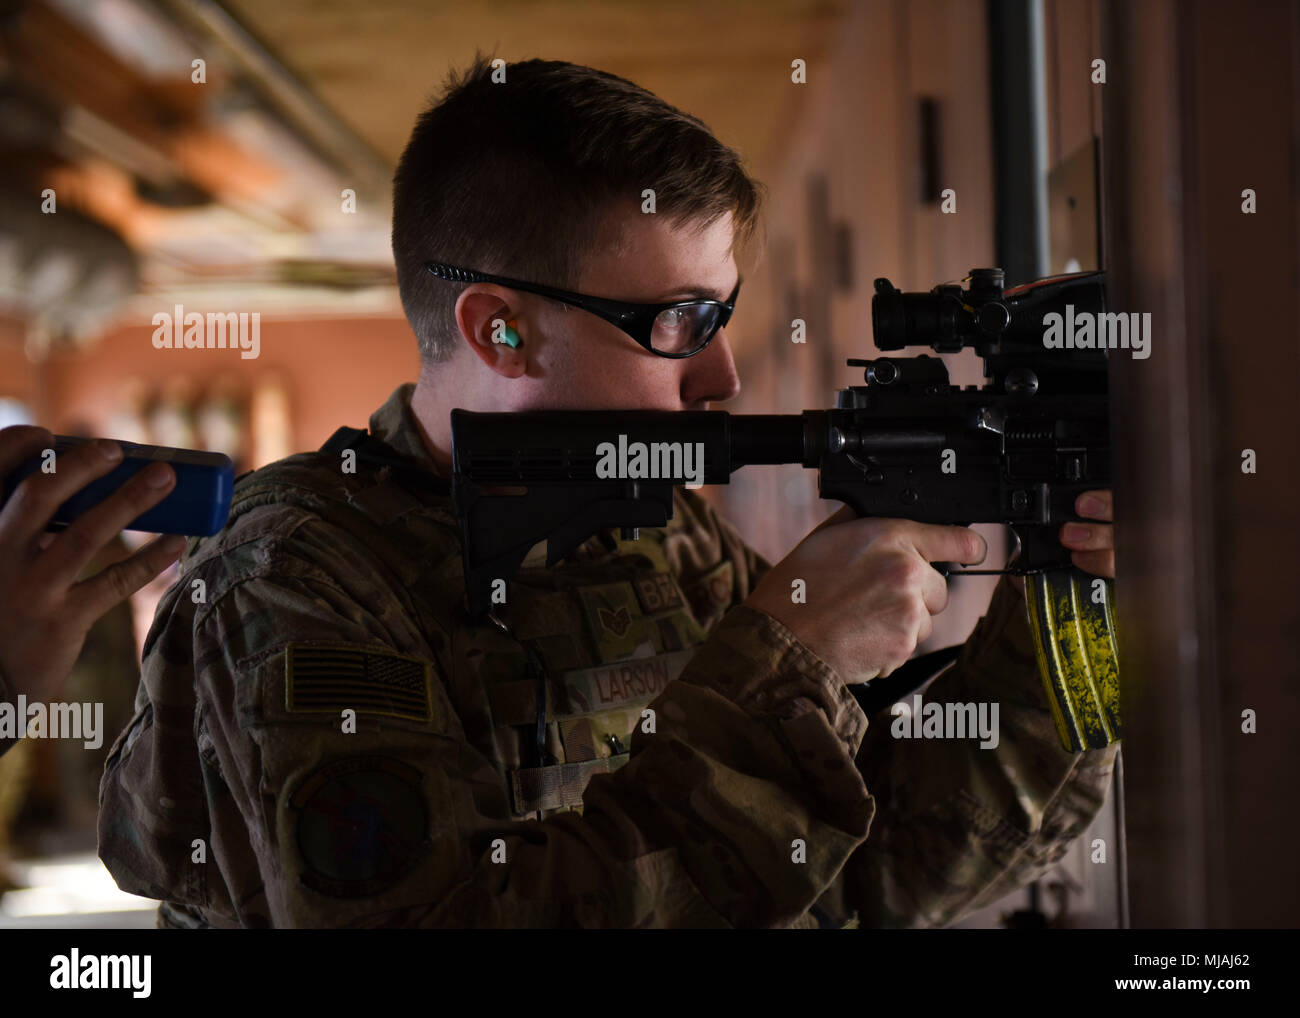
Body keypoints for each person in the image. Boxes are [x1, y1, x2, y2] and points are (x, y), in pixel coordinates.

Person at [96, 55, 1120, 928]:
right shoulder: (292, 574)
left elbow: (863, 875)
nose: (721, 378)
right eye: (679, 323)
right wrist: (787, 655)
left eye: (723, 315)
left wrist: (1063, 598)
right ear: (500, 328)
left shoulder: (654, 528)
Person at [0, 426, 182, 890]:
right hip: (73, 666)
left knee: (113, 740)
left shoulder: (96, 531)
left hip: (97, 661)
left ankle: (103, 824)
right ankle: (90, 825)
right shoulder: (60, 533)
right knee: (82, 748)